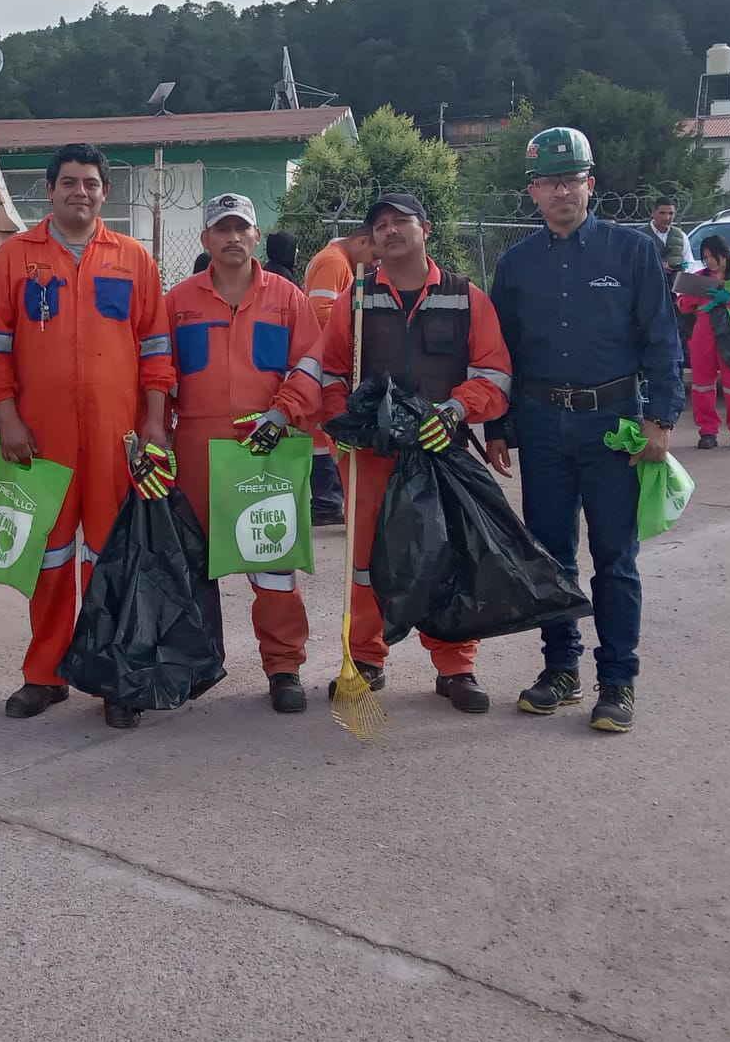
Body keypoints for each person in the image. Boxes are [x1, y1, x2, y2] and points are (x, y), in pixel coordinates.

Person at [485, 128, 683, 735]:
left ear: (590, 185)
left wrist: (661, 417)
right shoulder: (518, 265)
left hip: (614, 425)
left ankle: (617, 680)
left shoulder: (631, 253)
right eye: (550, 181)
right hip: (544, 424)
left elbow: (661, 340)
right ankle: (561, 669)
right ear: (533, 192)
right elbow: (499, 352)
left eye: (573, 179)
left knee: (615, 559)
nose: (562, 190)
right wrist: (499, 425)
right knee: (548, 555)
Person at [0, 142, 176, 729]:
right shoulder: (14, 259)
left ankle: (114, 674)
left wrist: (153, 422)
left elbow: (156, 348)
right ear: (49, 189)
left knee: (112, 557)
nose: (80, 192)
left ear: (104, 193)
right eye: (69, 182)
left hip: (119, 438)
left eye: (90, 183)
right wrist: (7, 416)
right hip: (39, 438)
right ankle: (46, 674)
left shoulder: (134, 259)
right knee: (47, 556)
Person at [316, 193, 511, 714]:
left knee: (447, 557)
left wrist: (454, 411)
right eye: (380, 225)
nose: (390, 230)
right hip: (371, 456)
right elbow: (330, 370)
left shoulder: (467, 297)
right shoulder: (354, 298)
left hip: (439, 450)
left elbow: (494, 375)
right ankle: (364, 660)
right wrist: (344, 426)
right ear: (371, 239)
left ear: (426, 228)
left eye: (401, 221)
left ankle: (456, 667)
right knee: (365, 563)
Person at [166, 193, 320, 713]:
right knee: (191, 564)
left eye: (242, 229)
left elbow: (309, 369)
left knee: (271, 559)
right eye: (222, 229)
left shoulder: (287, 298)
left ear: (257, 236)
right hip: (195, 447)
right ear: (206, 239)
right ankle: (191, 663)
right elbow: (159, 375)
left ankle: (284, 668)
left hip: (266, 445)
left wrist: (283, 414)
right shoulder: (179, 301)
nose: (232, 237)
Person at [302, 226, 379, 527]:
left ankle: (328, 499)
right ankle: (328, 499)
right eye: (373, 253)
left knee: (324, 433)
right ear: (362, 240)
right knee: (326, 432)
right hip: (327, 359)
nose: (375, 263)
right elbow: (321, 311)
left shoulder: (335, 260)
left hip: (326, 357)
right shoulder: (335, 262)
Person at [675, 234, 730, 451]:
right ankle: (707, 432)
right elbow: (682, 305)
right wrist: (696, 295)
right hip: (704, 334)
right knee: (702, 385)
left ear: (726, 254)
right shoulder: (699, 277)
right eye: (706, 257)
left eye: (714, 256)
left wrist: (729, 299)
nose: (711, 262)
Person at [647, 195, 690, 287]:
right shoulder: (640, 236)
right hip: (648, 289)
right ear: (653, 212)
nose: (667, 218)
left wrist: (681, 267)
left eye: (671, 214)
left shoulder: (681, 236)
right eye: (662, 213)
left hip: (673, 290)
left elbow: (689, 263)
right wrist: (656, 266)